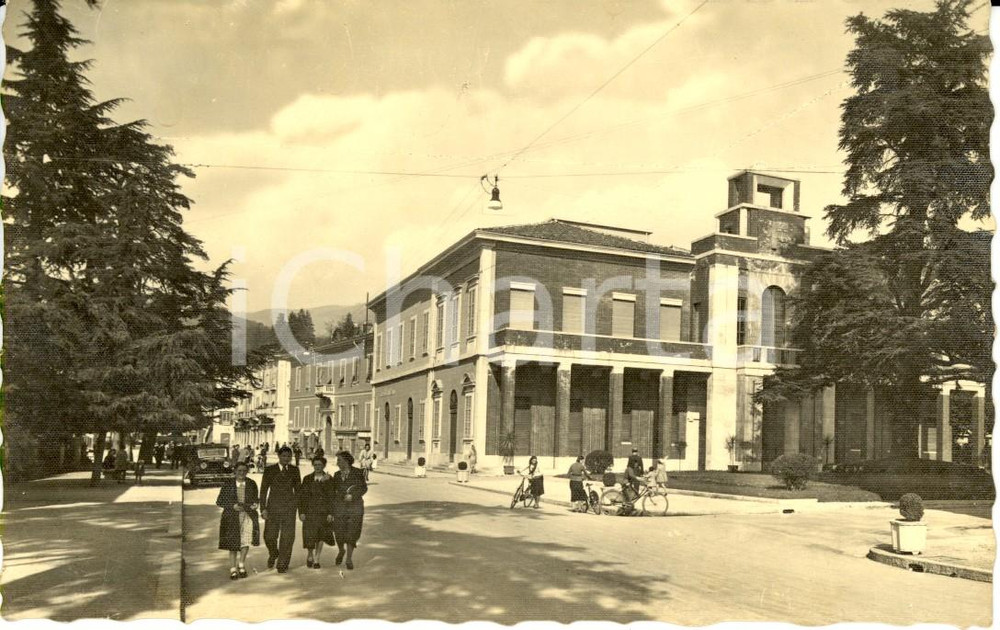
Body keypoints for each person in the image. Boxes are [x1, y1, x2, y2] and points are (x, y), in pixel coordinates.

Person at [216, 461, 261, 580]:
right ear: (234, 471)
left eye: (244, 471)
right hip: (232, 517)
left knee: (245, 541)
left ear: (247, 472)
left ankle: (241, 565)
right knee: (233, 542)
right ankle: (233, 568)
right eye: (239, 471)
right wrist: (232, 506)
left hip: (247, 516)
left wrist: (255, 504)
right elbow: (220, 501)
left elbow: (256, 499)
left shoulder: (251, 483)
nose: (242, 473)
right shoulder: (228, 484)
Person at [259, 446, 301, 573]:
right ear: (279, 456)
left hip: (289, 508)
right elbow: (263, 490)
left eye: (289, 456)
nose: (286, 459)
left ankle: (283, 563)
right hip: (273, 508)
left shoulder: (294, 470)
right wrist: (263, 508)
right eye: (284, 456)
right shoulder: (270, 470)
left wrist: (299, 508)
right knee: (269, 536)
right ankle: (273, 553)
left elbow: (298, 490)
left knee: (287, 536)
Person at [331, 450, 368, 570]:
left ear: (346, 461)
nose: (337, 462)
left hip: (355, 508)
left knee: (352, 533)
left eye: (339, 460)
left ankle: (349, 559)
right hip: (340, 508)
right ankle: (341, 550)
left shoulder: (357, 473)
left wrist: (353, 496)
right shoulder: (336, 475)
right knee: (339, 533)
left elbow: (363, 488)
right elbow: (332, 491)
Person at [298, 456, 335, 569]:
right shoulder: (307, 479)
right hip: (309, 512)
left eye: (320, 465)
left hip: (323, 512)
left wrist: (331, 513)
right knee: (310, 535)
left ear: (324, 466)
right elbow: (302, 497)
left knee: (320, 536)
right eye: (315, 465)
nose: (318, 467)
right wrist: (301, 512)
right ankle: (310, 554)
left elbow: (332, 497)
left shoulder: (329, 479)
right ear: (313, 465)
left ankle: (317, 558)